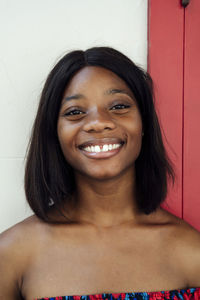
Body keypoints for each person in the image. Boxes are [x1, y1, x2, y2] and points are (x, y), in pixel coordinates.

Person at [0, 47, 200, 300]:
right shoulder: (11, 255)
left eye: (118, 106)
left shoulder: (191, 251)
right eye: (74, 112)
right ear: (54, 133)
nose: (97, 122)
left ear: (145, 124)